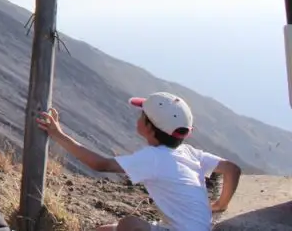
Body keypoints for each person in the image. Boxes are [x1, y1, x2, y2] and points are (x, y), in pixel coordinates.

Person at [36, 92, 242, 231]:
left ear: (150, 128)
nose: (138, 117)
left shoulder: (153, 157)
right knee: (106, 230)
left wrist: (58, 134)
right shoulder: (189, 152)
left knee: (129, 225)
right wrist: (218, 205)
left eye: (142, 115)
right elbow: (232, 169)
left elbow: (100, 164)